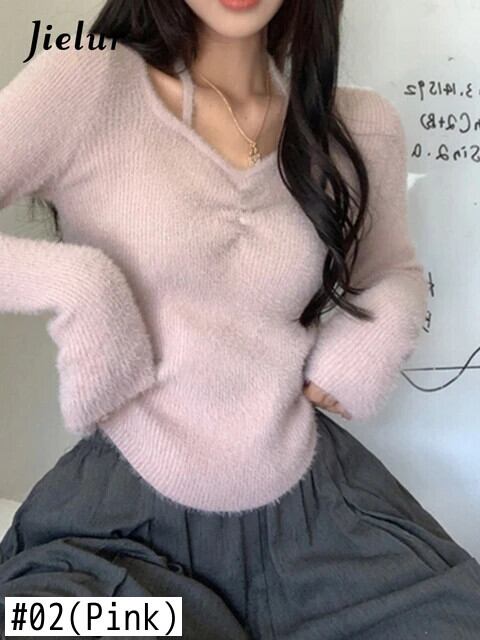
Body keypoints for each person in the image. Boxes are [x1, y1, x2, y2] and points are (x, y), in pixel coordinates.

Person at [1, 1, 480, 638]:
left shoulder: (357, 127)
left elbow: (391, 268)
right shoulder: (89, 84)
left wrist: (374, 334)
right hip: (117, 527)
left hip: (317, 514)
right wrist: (80, 286)